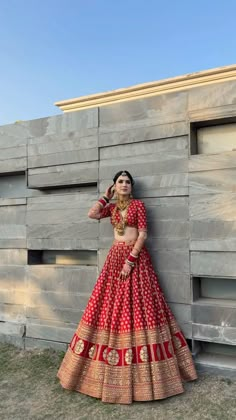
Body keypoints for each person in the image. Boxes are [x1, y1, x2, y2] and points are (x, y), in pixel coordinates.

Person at [57, 170, 197, 404]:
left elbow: (143, 235)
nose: (124, 185)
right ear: (114, 186)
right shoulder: (112, 209)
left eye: (127, 182)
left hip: (136, 259)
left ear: (132, 187)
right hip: (114, 258)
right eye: (120, 182)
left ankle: (147, 375)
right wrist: (105, 196)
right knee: (110, 306)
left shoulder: (139, 206)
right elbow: (92, 214)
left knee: (142, 308)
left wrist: (130, 262)